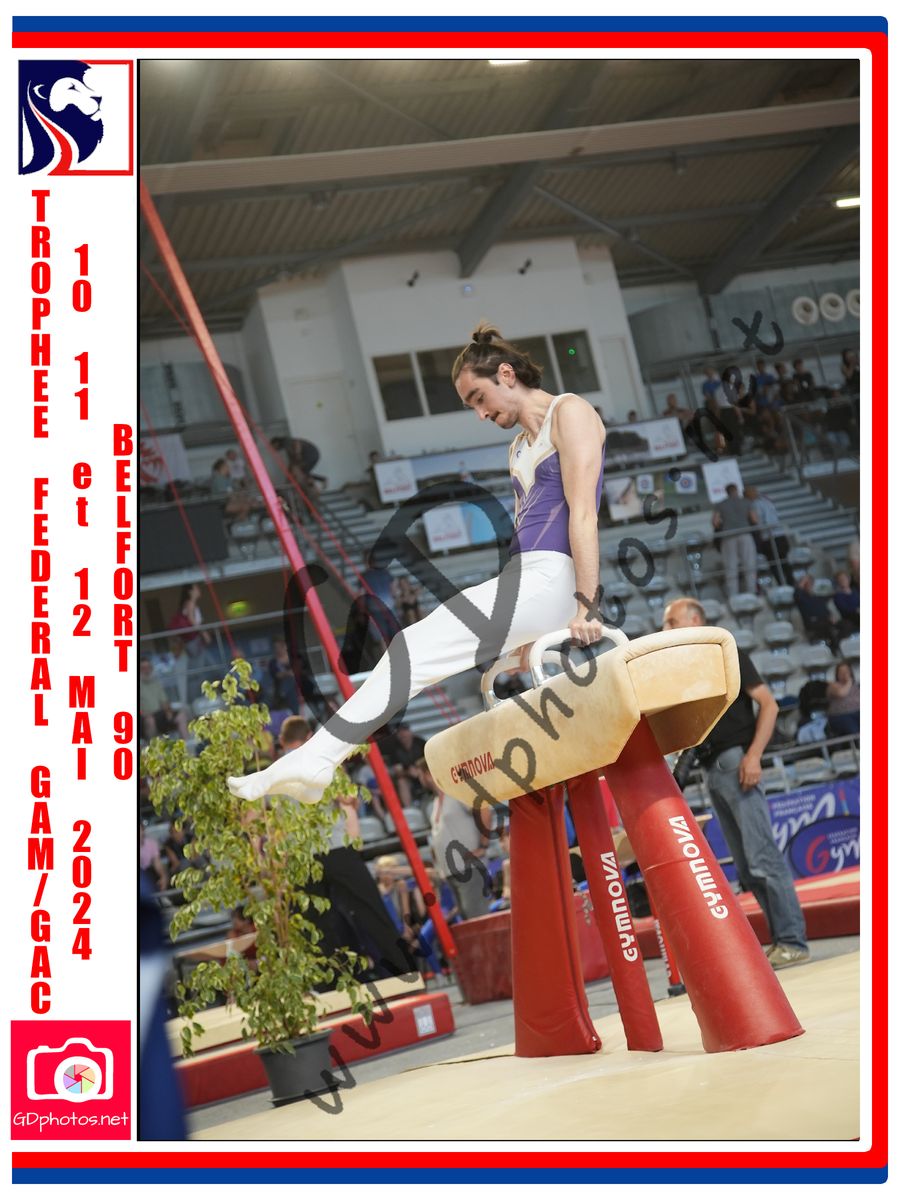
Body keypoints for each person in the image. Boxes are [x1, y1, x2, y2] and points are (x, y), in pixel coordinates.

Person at [228, 322, 607, 805]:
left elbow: (583, 515)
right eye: (471, 405)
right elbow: (523, 540)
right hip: (528, 578)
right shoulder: (517, 450)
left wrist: (586, 607)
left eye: (479, 398)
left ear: (507, 374)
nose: (480, 413)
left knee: (413, 647)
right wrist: (527, 633)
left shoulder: (570, 412)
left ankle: (317, 759)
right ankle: (320, 758)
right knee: (411, 648)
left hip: (557, 576)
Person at [663, 598, 809, 969]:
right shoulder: (687, 668)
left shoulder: (727, 653)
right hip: (712, 769)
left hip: (736, 762)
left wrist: (754, 755)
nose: (666, 629)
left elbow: (769, 704)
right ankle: (781, 941)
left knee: (762, 857)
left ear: (695, 620)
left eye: (672, 622)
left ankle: (792, 940)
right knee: (746, 866)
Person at [279, 716, 412, 979]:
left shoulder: (276, 770)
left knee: (317, 926)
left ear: (282, 741)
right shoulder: (319, 760)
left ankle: (332, 985)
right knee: (371, 911)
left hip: (300, 857)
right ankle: (403, 972)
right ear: (309, 737)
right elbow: (348, 797)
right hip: (335, 847)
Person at [712, 483, 758, 597]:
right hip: (745, 534)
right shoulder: (746, 502)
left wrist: (723, 524)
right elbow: (754, 519)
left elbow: (715, 522)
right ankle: (752, 591)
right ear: (736, 490)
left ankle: (733, 595)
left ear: (726, 492)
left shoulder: (721, 504)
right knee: (749, 564)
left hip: (728, 536)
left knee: (730, 566)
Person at [743, 485, 792, 585]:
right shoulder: (767, 501)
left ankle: (782, 584)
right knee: (784, 562)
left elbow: (759, 521)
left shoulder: (755, 505)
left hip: (769, 537)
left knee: (774, 564)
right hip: (780, 535)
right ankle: (791, 583)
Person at [139, 657, 188, 741]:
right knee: (150, 720)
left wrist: (168, 711)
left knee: (181, 715)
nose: (146, 671)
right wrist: (144, 714)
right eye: (143, 668)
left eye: (148, 667)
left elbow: (164, 701)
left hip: (159, 714)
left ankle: (186, 744)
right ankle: (153, 746)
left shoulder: (155, 683)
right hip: (144, 718)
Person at [793, 573, 841, 652]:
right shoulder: (802, 599)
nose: (809, 585)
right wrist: (803, 580)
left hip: (826, 621)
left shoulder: (817, 597)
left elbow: (825, 610)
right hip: (813, 624)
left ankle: (839, 648)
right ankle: (833, 650)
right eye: (806, 584)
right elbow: (797, 593)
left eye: (810, 583)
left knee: (844, 624)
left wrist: (830, 616)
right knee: (827, 628)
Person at [826, 661, 860, 738]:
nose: (844, 674)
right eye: (841, 672)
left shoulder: (856, 685)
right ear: (837, 674)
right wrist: (849, 681)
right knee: (853, 731)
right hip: (841, 715)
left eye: (846, 671)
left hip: (857, 712)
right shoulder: (833, 685)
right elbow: (841, 694)